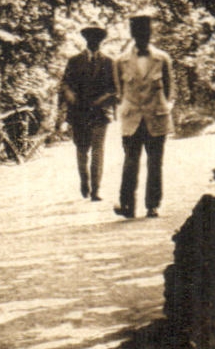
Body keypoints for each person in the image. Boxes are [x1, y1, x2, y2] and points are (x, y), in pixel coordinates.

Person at [113, 11, 175, 218]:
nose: (143, 37)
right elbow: (119, 91)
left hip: (156, 117)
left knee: (155, 162)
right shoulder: (120, 61)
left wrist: (163, 107)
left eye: (146, 32)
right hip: (132, 119)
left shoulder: (162, 58)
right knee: (130, 162)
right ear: (132, 33)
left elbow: (169, 89)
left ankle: (152, 204)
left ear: (151, 33)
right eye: (138, 32)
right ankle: (127, 205)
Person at [59, 25, 117, 200]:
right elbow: (65, 83)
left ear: (101, 42)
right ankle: (84, 182)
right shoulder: (74, 61)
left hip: (100, 112)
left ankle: (96, 189)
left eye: (98, 40)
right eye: (92, 40)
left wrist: (104, 99)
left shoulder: (109, 62)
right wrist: (70, 95)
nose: (94, 43)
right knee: (82, 149)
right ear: (86, 40)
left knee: (98, 150)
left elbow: (115, 88)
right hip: (79, 112)